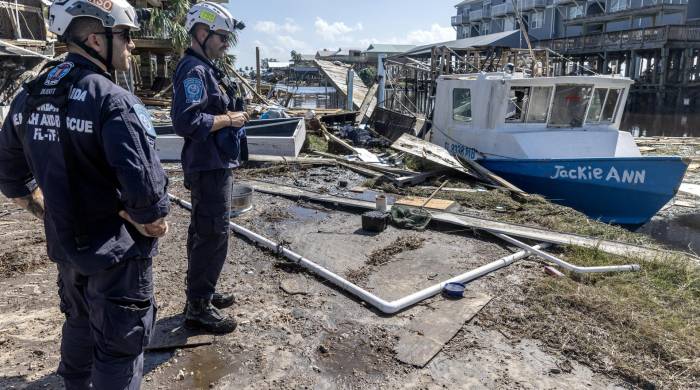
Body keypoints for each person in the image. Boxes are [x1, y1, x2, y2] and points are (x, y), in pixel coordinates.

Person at [0, 0, 170, 388]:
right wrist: (151, 223)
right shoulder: (113, 100)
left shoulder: (29, 95)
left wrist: (47, 210)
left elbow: (11, 180)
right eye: (126, 35)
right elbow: (149, 202)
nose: (132, 45)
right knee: (118, 352)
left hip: (66, 249)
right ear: (96, 38)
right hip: (115, 258)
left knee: (78, 327)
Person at [171, 1, 248, 334]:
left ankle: (202, 292)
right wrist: (230, 118)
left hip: (215, 164)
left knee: (207, 233)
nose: (225, 45)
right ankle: (198, 307)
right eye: (221, 38)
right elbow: (186, 120)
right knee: (212, 235)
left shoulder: (206, 68)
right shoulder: (194, 70)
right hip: (208, 166)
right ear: (201, 33)